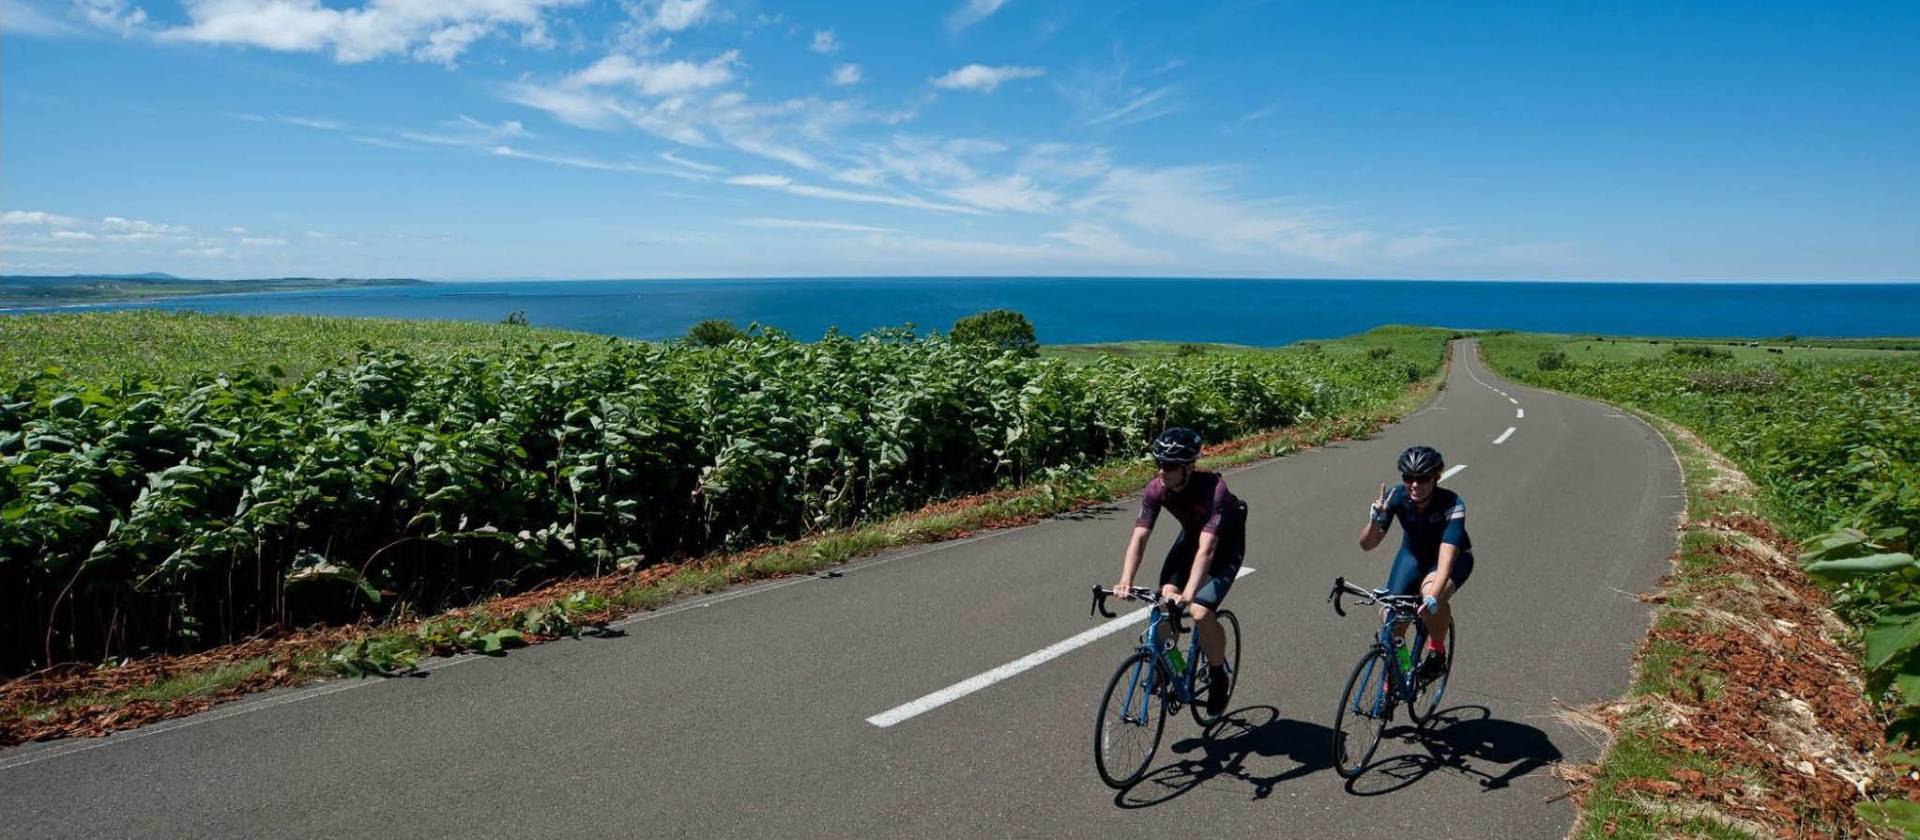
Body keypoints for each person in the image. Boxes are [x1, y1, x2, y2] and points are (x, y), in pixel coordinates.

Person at [1115, 427, 1249, 718]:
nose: (1163, 471)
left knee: (1200, 612)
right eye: (1158, 463)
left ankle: (1218, 675)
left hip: (1224, 547)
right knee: (1165, 604)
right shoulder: (1156, 489)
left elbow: (1208, 549)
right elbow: (1139, 537)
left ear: (1189, 467)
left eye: (1171, 466)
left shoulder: (1215, 490)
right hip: (1191, 539)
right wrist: (1126, 580)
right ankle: (1173, 667)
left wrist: (1190, 593)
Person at [1357, 445, 1472, 683]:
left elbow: (1445, 562)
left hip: (1451, 559)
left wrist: (1432, 597)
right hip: (1412, 556)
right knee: (1393, 621)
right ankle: (1405, 670)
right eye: (1409, 478)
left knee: (1432, 594)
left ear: (1436, 478)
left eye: (1422, 479)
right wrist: (1374, 521)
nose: (1415, 485)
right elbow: (1368, 544)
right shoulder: (1395, 496)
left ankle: (1437, 652)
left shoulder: (1452, 504)